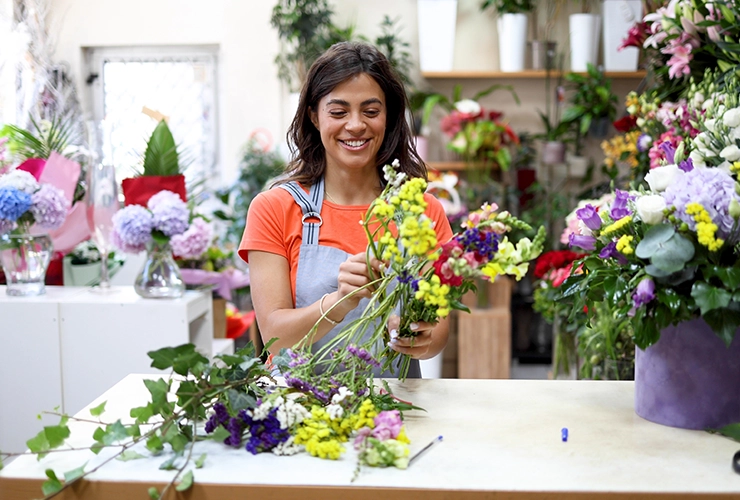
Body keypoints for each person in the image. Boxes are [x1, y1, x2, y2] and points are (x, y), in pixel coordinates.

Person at [238, 41, 453, 377]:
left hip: (392, 411)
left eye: (371, 111)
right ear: (313, 115)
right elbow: (275, 340)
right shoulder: (274, 208)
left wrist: (417, 336)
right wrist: (338, 301)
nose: (355, 125)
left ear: (389, 116)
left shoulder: (421, 210)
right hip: (301, 411)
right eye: (338, 112)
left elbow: (438, 334)